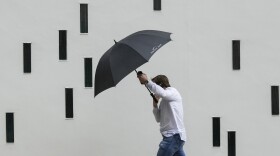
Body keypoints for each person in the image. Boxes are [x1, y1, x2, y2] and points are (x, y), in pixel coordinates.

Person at [137, 73, 186, 156]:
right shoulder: (165, 101)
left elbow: (163, 93)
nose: (154, 91)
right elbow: (158, 119)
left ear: (160, 85)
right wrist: (155, 105)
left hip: (173, 136)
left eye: (155, 87)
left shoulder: (173, 92)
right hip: (174, 137)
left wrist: (146, 81)